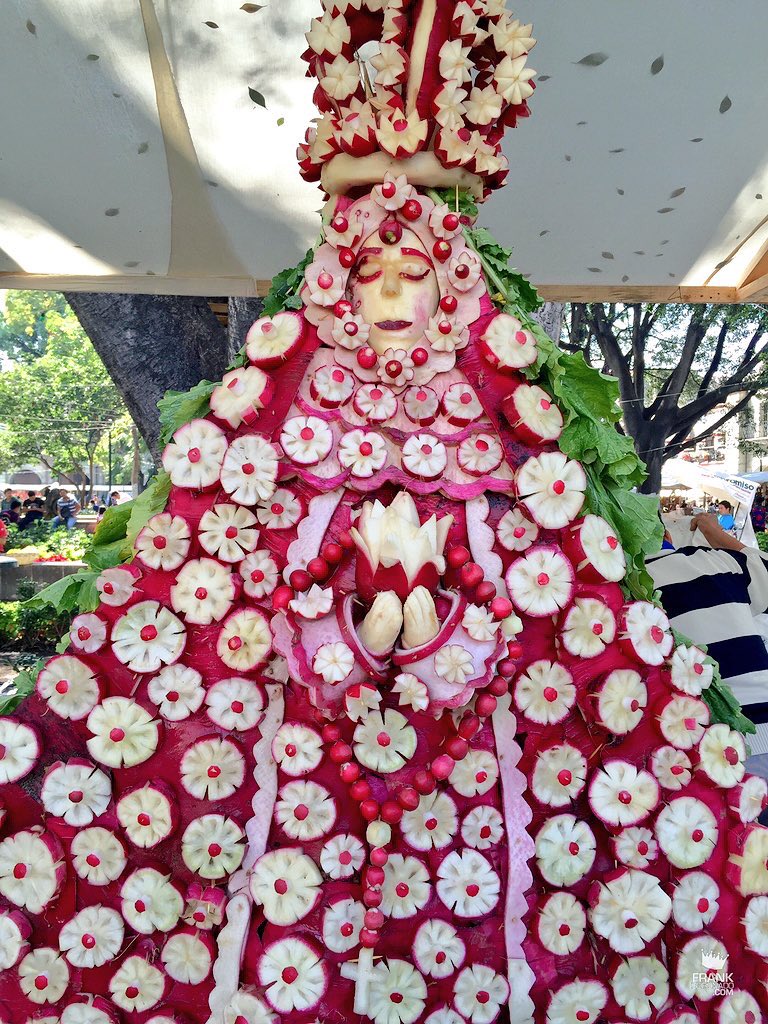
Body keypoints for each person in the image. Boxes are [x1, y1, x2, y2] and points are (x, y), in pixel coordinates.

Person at [648, 512, 768, 769]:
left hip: (719, 750)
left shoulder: (630, 585)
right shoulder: (721, 561)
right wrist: (714, 532)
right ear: (667, 535)